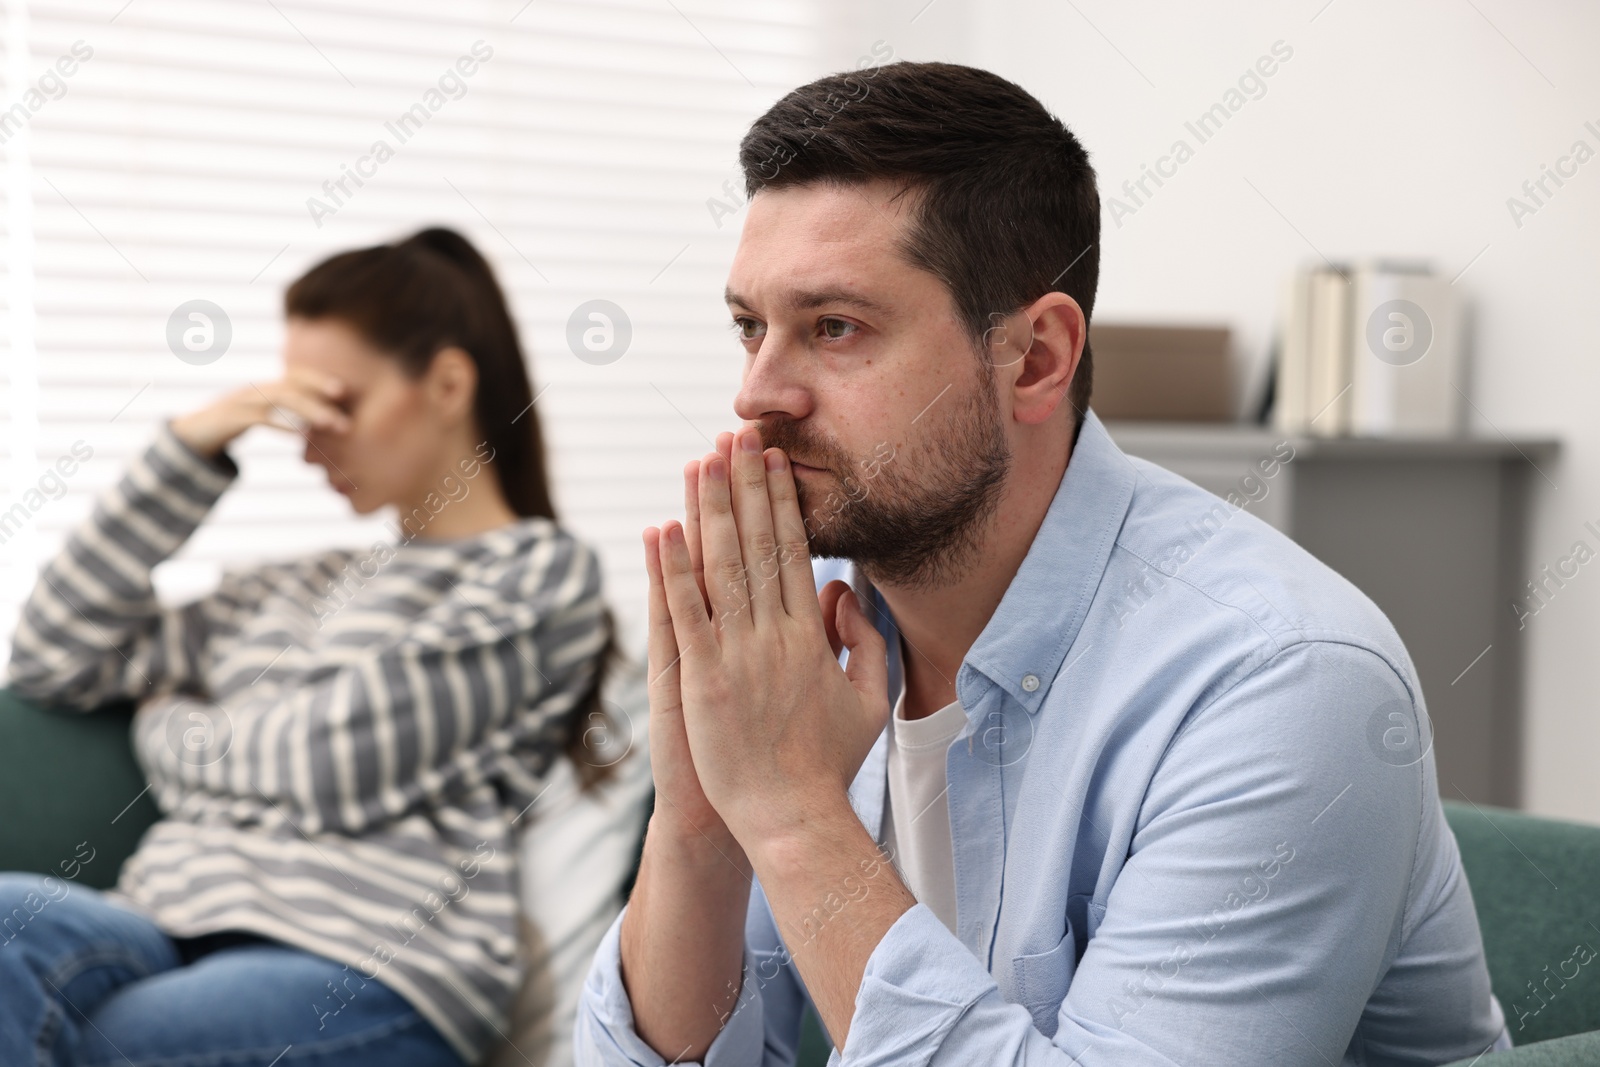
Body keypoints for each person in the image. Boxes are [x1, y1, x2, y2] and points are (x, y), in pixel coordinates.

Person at [575, 61, 1509, 1066]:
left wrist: (793, 814)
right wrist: (700, 821)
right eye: (750, 327)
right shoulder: (802, 627)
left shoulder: (1282, 677)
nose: (757, 393)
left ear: (1033, 359)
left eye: (833, 327)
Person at [0, 227, 616, 1066]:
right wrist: (191, 444)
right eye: (296, 406)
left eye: (338, 403)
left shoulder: (538, 574)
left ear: (446, 383)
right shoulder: (289, 585)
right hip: (164, 917)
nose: (307, 438)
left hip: (367, 965)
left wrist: (166, 725)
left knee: (107, 1044)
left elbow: (332, 761)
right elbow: (52, 655)